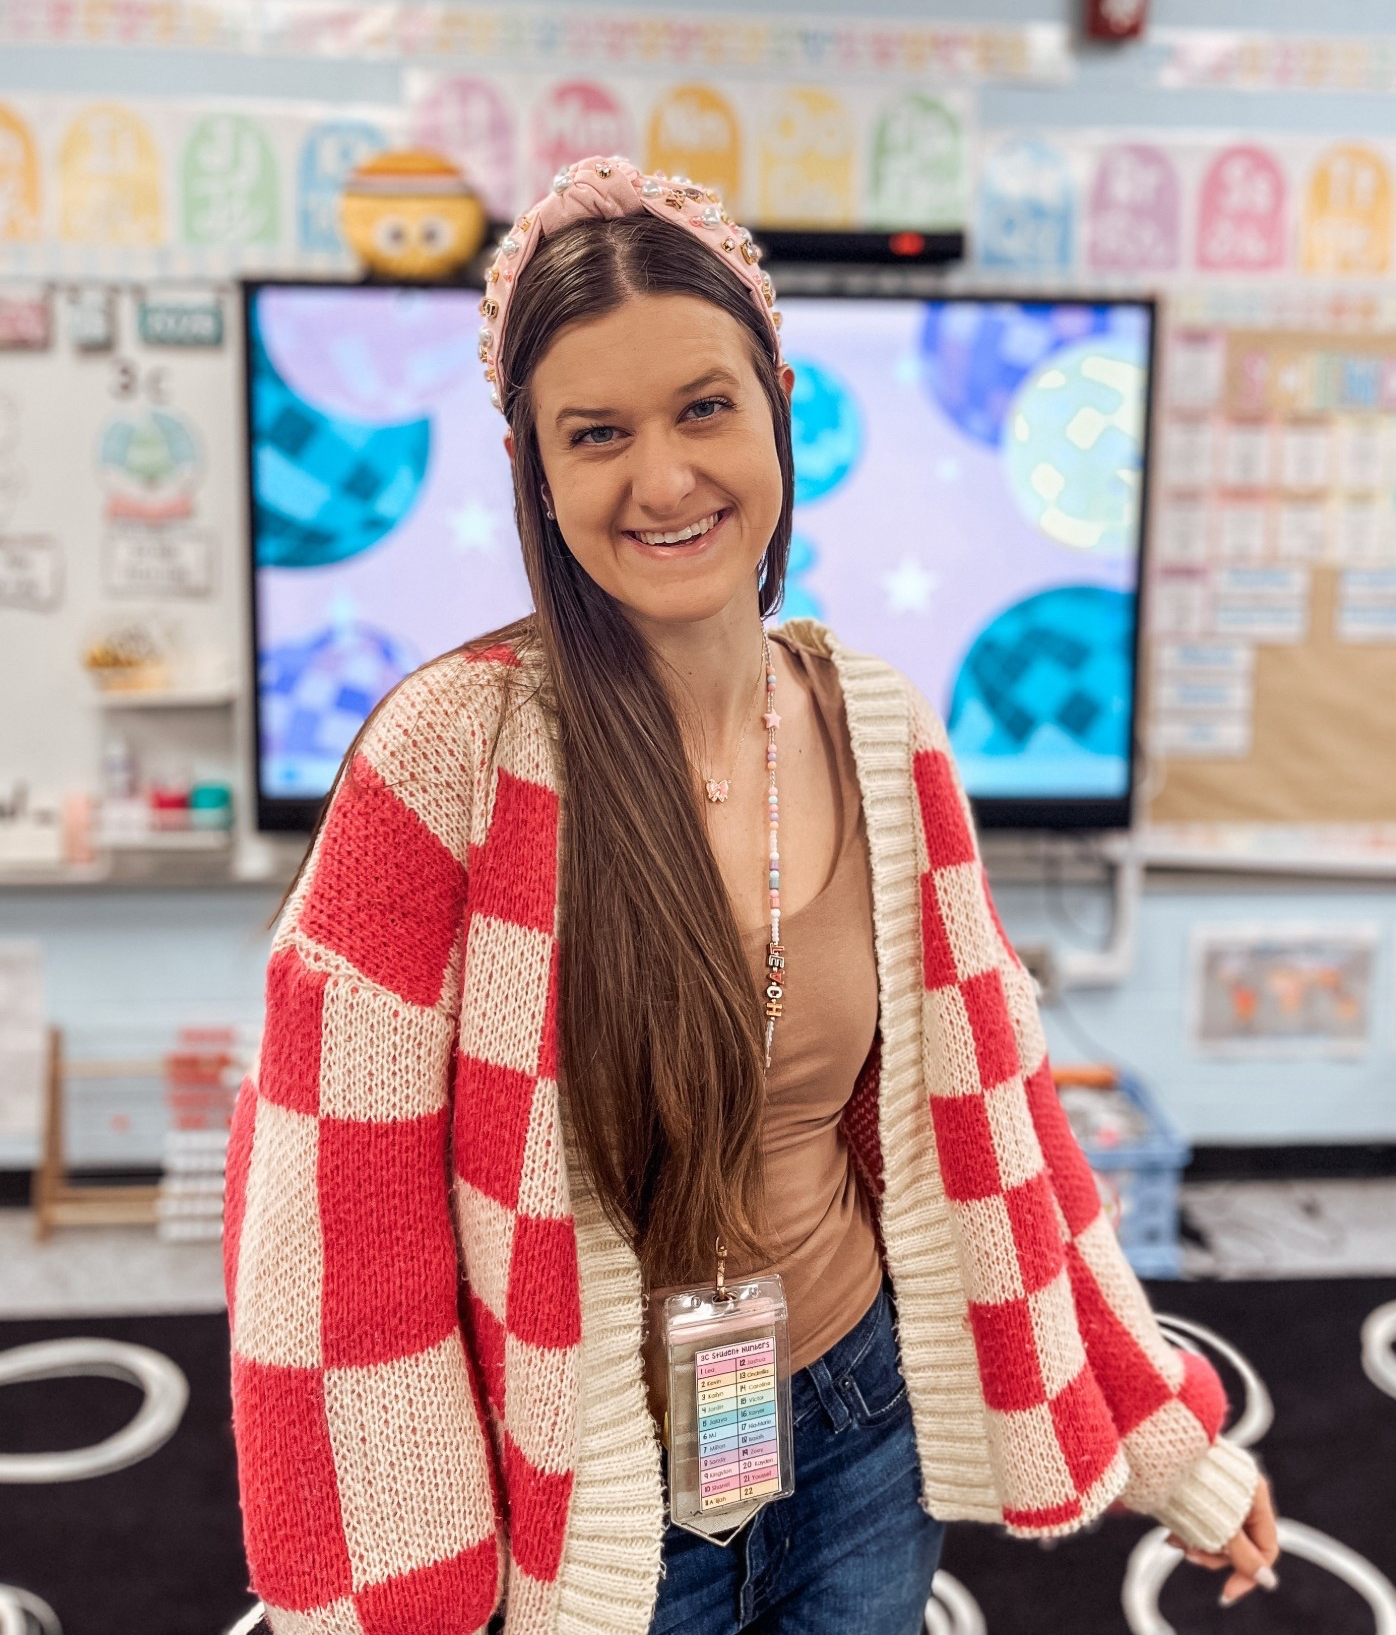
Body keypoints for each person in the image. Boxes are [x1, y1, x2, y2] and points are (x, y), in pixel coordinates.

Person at [224, 155, 1279, 1635]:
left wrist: (1171, 1444)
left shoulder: (883, 726)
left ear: (777, 405)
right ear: (535, 466)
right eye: (597, 434)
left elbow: (1003, 1122)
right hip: (584, 1480)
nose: (662, 480)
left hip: (861, 1422)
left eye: (703, 409)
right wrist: (382, 1605)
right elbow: (341, 1238)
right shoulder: (450, 758)